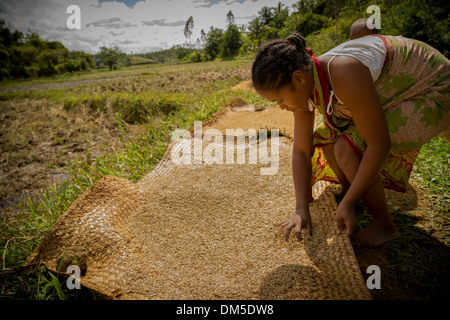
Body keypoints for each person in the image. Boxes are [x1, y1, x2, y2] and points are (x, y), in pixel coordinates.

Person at [251, 32, 449, 246]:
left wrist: (348, 201)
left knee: (346, 148)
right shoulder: (309, 81)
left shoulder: (344, 72)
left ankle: (384, 225)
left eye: (280, 99)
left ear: (298, 78)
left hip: (435, 89)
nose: (281, 107)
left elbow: (378, 144)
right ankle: (356, 191)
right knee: (326, 139)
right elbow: (301, 150)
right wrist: (300, 209)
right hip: (402, 87)